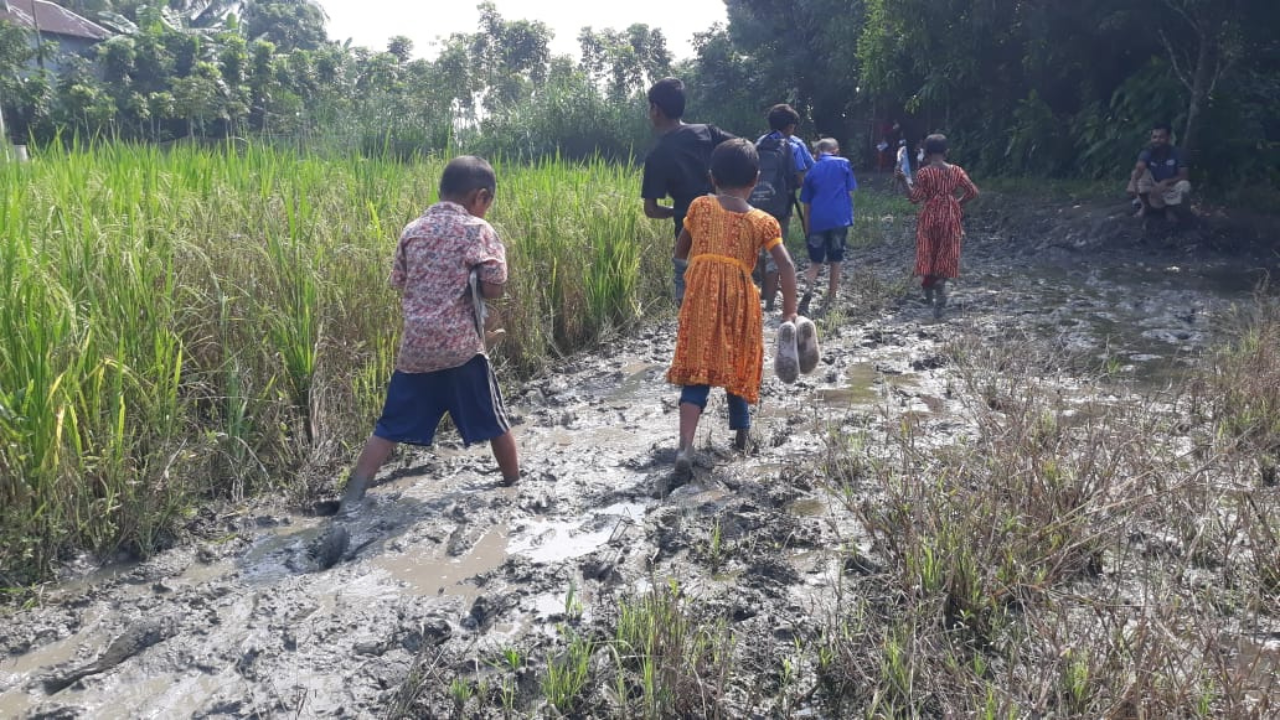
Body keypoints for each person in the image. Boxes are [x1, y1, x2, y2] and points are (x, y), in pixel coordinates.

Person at [339, 156, 520, 515]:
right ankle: (514, 482)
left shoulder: (412, 230)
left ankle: (353, 494)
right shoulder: (478, 230)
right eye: (488, 203)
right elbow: (494, 286)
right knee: (495, 419)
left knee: (389, 427)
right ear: (480, 197)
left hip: (416, 349)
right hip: (461, 349)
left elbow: (401, 281)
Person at [668, 138, 799, 475]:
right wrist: (789, 312)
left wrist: (686, 284)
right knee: (737, 362)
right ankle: (742, 435)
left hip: (700, 296)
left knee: (697, 370)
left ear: (712, 177)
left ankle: (684, 447)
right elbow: (785, 266)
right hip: (741, 298)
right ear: (756, 179)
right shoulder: (764, 221)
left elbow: (680, 252)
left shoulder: (699, 207)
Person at [641, 77, 736, 306]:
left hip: (688, 235)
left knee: (693, 300)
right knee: (724, 294)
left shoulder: (657, 156)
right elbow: (743, 149)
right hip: (726, 224)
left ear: (656, 110)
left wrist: (679, 210)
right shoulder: (707, 132)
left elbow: (651, 210)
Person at [896, 134, 979, 320]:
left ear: (926, 152)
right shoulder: (956, 171)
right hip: (950, 215)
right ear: (947, 152)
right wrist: (957, 202)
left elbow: (915, 198)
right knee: (947, 253)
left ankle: (928, 289)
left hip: (929, 216)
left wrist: (903, 181)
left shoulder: (924, 172)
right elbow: (972, 191)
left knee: (928, 252)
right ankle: (940, 281)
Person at [753, 103, 815, 310]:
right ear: (790, 127)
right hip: (780, 206)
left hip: (756, 204)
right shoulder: (792, 146)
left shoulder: (758, 143)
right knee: (775, 249)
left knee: (760, 250)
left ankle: (762, 294)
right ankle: (770, 302)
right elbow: (801, 177)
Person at [799, 138, 858, 316]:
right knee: (836, 259)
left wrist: (807, 231)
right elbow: (850, 192)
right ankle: (831, 297)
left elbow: (806, 207)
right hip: (839, 220)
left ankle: (807, 293)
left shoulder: (811, 172)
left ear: (818, 152)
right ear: (835, 150)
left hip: (817, 220)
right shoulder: (844, 164)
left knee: (815, 262)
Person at [1126, 122, 1192, 223]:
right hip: (1153, 188)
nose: (1157, 140)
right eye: (1154, 137)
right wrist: (1132, 183)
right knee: (1138, 174)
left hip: (1169, 187)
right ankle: (1145, 207)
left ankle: (1170, 209)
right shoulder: (1147, 152)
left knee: (1185, 185)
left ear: (1168, 138)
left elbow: (1184, 175)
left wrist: (1165, 182)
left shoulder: (1177, 152)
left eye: (1161, 137)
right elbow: (1139, 168)